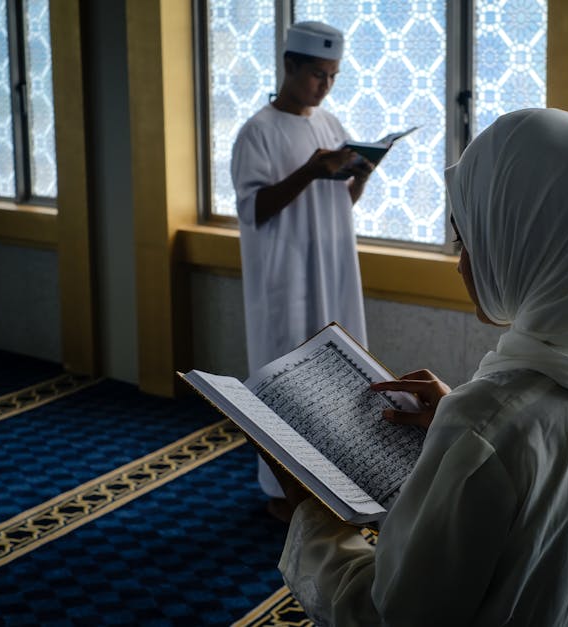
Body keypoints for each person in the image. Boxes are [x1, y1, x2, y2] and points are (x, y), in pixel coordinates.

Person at [265, 109, 568, 626]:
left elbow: (389, 617)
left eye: (468, 238)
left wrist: (312, 518)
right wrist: (463, 431)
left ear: (536, 243)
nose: (460, 261)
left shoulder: (491, 426)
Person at [231, 21, 372, 503]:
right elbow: (255, 209)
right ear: (289, 65)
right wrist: (311, 170)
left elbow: (332, 207)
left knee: (336, 379)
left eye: (333, 76)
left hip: (331, 271)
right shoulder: (257, 133)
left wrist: (362, 177)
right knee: (285, 382)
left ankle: (334, 481)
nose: (326, 86)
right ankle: (281, 491)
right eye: (317, 74)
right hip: (284, 278)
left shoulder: (329, 125)